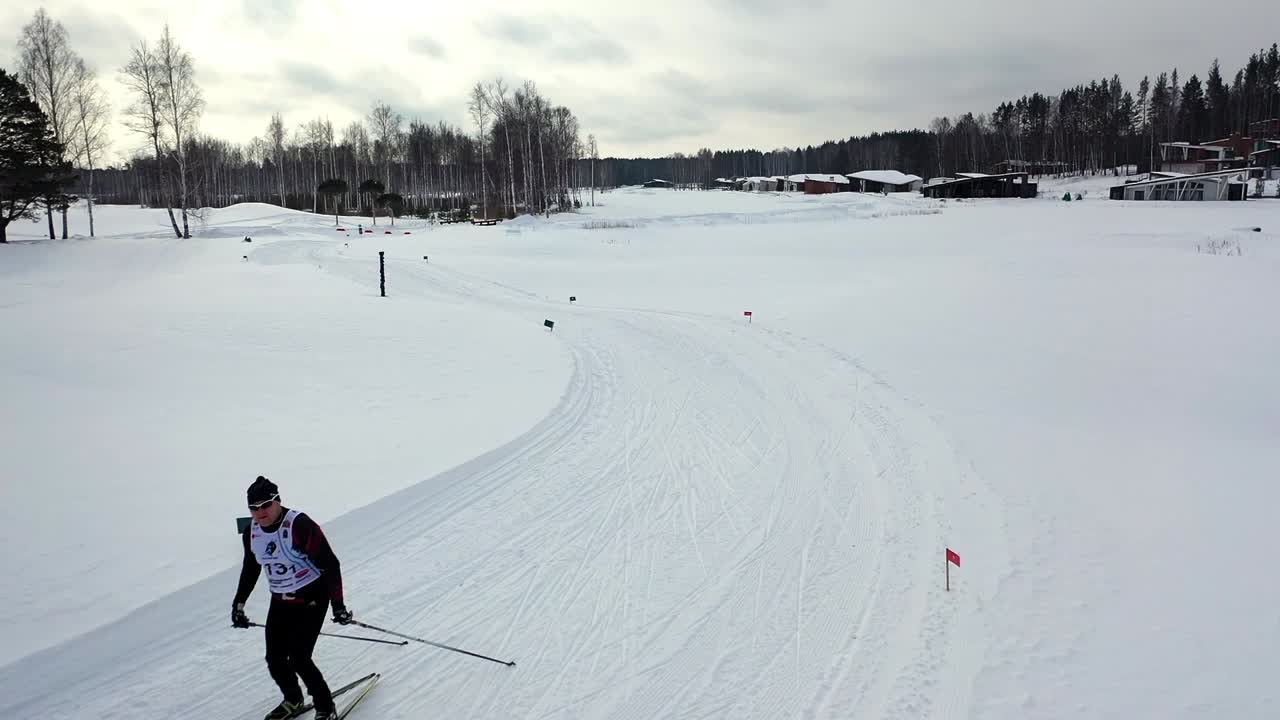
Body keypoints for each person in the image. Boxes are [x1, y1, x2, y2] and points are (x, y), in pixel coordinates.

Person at [232, 476, 354, 720]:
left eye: (265, 505)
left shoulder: (299, 525)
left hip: (312, 597)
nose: (260, 513)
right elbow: (251, 567)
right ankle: (293, 700)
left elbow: (330, 564)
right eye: (253, 508)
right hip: (280, 599)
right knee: (275, 658)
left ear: (278, 501)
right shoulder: (252, 532)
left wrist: (338, 605)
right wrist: (239, 604)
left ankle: (325, 706)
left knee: (299, 657)